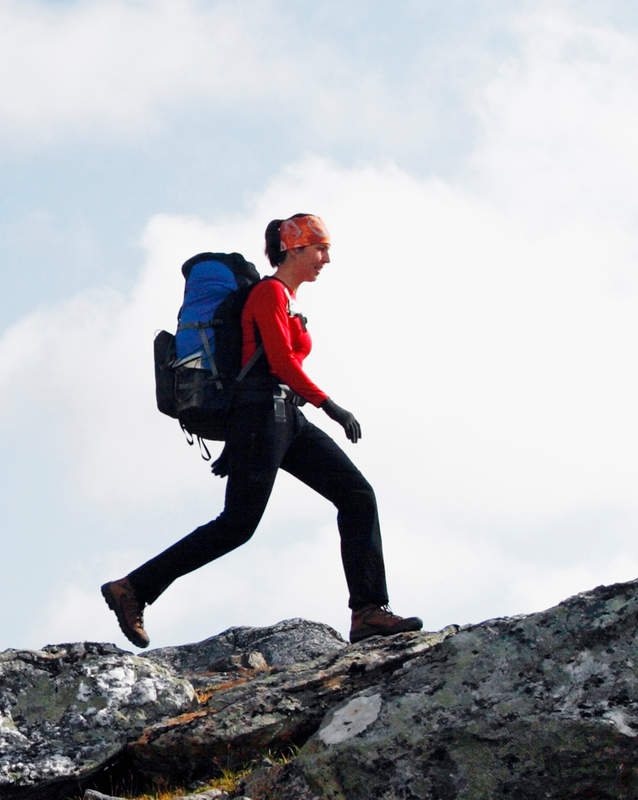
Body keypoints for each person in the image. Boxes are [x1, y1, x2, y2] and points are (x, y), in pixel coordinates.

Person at [101, 213, 422, 646]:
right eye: (319, 249)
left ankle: (368, 611)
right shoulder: (268, 294)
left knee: (357, 495)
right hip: (264, 415)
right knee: (237, 524)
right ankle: (133, 588)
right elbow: (279, 362)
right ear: (293, 249)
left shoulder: (286, 301)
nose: (325, 259)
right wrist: (331, 406)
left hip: (284, 417)